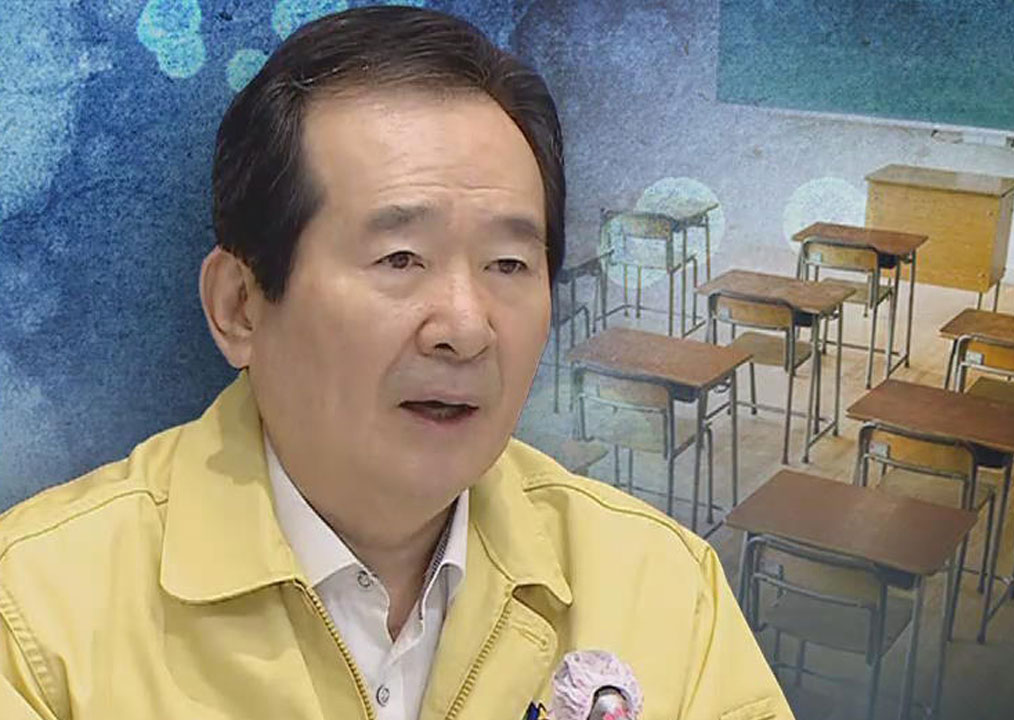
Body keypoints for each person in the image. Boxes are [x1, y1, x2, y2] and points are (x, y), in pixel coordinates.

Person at [0, 6, 793, 719]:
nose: (466, 328)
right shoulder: (39, 616)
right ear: (240, 306)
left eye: (509, 265)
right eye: (400, 258)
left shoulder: (662, 591)